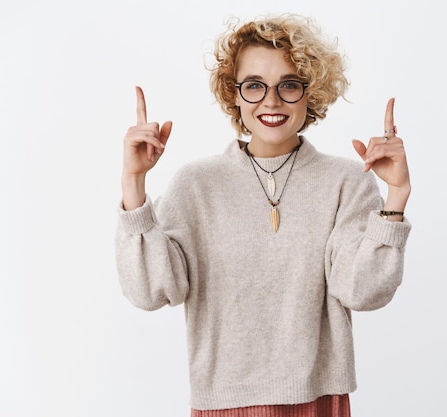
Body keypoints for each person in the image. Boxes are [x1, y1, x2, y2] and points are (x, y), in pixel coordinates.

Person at [116, 14, 411, 417]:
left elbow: (363, 291)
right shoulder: (196, 184)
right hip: (225, 402)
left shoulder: (346, 180)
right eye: (254, 86)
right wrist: (133, 185)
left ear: (312, 92)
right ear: (233, 93)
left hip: (318, 399)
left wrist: (396, 196)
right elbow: (151, 291)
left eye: (288, 85)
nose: (271, 102)